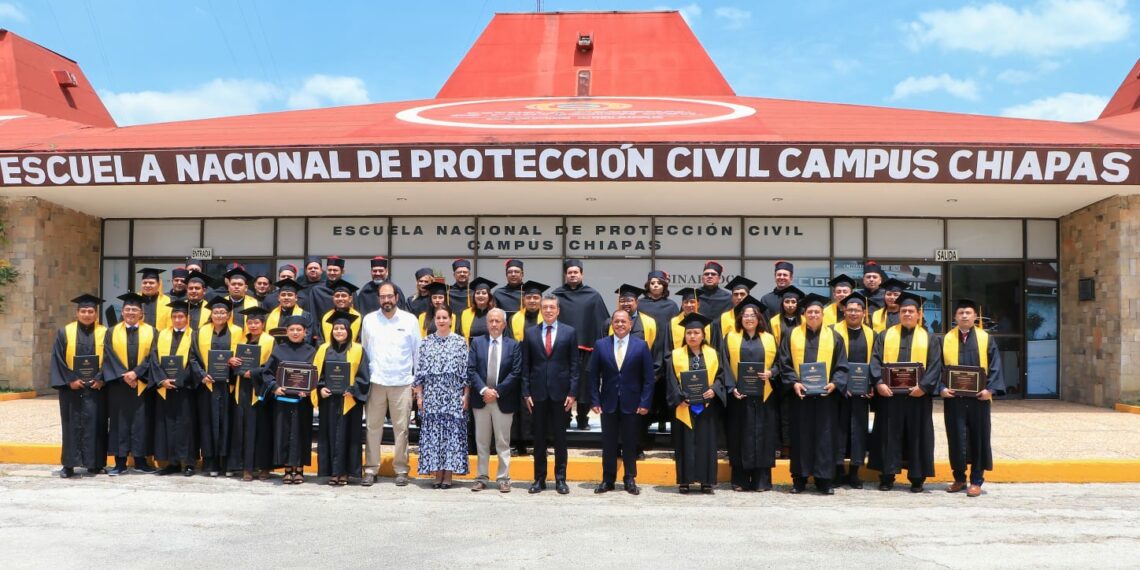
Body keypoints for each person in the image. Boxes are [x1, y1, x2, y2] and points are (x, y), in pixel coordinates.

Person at [869, 291, 942, 492]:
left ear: (919, 314)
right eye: (904, 311)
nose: (907, 314)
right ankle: (887, 475)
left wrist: (924, 387)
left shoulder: (929, 338)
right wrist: (878, 383)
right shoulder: (885, 335)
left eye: (911, 311)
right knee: (888, 435)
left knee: (917, 436)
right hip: (889, 397)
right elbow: (875, 360)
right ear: (899, 313)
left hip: (917, 397)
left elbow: (936, 365)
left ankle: (917, 477)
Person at [778, 293, 849, 495]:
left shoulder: (835, 337)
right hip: (800, 397)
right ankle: (799, 480)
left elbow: (841, 366)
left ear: (822, 314)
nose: (814, 315)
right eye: (810, 312)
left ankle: (824, 480)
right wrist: (794, 383)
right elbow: (784, 363)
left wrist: (835, 384)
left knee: (825, 438)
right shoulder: (792, 335)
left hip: (826, 397)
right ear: (804, 314)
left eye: (817, 311)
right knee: (800, 437)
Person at [940, 298, 1005, 498]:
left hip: (979, 399)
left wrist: (990, 390)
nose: (965, 316)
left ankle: (976, 480)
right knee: (956, 438)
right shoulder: (946, 339)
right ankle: (959, 478)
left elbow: (995, 366)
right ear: (955, 317)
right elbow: (938, 367)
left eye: (968, 313)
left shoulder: (986, 338)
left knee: (979, 438)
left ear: (975, 316)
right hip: (954, 399)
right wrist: (941, 387)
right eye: (961, 313)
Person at [360, 281, 421, 487]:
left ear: (396, 297)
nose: (386, 300)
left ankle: (402, 470)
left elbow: (417, 353)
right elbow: (365, 351)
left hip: (402, 382)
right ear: (379, 299)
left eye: (390, 296)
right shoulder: (369, 320)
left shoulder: (409, 320)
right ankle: (371, 468)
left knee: (401, 429)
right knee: (372, 427)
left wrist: (417, 383)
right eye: (382, 297)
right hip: (376, 381)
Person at [588, 310, 654, 495]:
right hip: (608, 402)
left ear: (630, 324)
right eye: (616, 321)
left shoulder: (641, 346)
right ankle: (607, 480)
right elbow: (593, 376)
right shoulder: (601, 345)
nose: (620, 324)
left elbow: (648, 378)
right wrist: (594, 400)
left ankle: (630, 479)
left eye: (623, 321)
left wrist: (645, 402)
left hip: (632, 403)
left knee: (630, 443)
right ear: (612, 324)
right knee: (608, 443)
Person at [522, 293, 579, 495]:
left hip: (561, 395)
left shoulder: (569, 332)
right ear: (540, 309)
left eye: (551, 307)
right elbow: (526, 366)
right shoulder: (530, 333)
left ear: (558, 310)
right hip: (537, 395)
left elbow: (574, 365)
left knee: (560, 439)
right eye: (544, 307)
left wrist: (573, 393)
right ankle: (539, 479)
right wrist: (526, 392)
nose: (547, 310)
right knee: (539, 439)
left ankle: (560, 479)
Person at [722, 298, 779, 492]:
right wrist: (731, 387)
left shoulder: (769, 338)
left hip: (764, 396)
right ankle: (740, 480)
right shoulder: (731, 337)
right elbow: (723, 365)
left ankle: (761, 481)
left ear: (759, 318)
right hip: (740, 396)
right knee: (739, 436)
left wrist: (771, 373)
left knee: (763, 437)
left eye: (752, 315)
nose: (749, 318)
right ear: (740, 318)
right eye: (745, 315)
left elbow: (781, 362)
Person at [50, 294, 109, 478]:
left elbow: (110, 358)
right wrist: (70, 380)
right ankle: (69, 464)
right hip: (72, 389)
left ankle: (95, 464)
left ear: (96, 314)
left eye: (90, 311)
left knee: (97, 424)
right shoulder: (64, 332)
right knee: (70, 424)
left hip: (96, 388)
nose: (87, 314)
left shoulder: (105, 332)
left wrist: (101, 378)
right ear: (77, 313)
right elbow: (58, 359)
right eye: (83, 311)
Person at [666, 312, 724, 494]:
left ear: (703, 335)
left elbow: (722, 376)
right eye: (689, 333)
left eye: (696, 333)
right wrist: (681, 397)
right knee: (686, 443)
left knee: (706, 443)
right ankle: (685, 480)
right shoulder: (675, 355)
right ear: (684, 335)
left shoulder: (713, 354)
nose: (692, 336)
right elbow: (671, 381)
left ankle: (706, 481)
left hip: (707, 406)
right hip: (684, 406)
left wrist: (714, 389)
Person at [414, 307, 471, 489]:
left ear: (451, 319)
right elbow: (420, 372)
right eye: (438, 317)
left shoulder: (460, 342)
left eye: (444, 317)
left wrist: (466, 395)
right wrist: (420, 396)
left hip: (453, 395)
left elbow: (465, 373)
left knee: (451, 436)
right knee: (434, 436)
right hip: (432, 396)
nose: (441, 320)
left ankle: (448, 475)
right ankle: (437, 474)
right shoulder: (426, 342)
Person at [102, 292, 158, 476]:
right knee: (119, 423)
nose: (131, 312)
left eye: (135, 309)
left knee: (141, 422)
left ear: (141, 313)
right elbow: (109, 355)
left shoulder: (151, 331)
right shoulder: (111, 331)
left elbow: (154, 356)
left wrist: (137, 373)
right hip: (119, 385)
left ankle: (141, 461)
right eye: (128, 309)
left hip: (142, 385)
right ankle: (119, 462)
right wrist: (124, 376)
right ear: (123, 311)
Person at [551, 259, 609, 431]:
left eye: (576, 272)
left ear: (582, 274)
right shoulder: (557, 296)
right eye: (570, 272)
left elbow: (603, 321)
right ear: (565, 275)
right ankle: (564, 417)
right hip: (562, 349)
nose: (573, 275)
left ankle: (583, 418)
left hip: (586, 350)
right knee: (562, 384)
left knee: (585, 386)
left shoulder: (593, 295)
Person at [468, 308, 521, 492]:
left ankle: (503, 477)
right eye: (491, 321)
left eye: (498, 321)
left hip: (502, 400)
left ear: (504, 324)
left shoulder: (513, 345)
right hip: (481, 398)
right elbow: (471, 369)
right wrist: (484, 389)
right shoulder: (477, 343)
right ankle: (481, 476)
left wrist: (496, 391)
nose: (494, 324)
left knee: (502, 441)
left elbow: (515, 373)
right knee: (481, 441)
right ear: (487, 323)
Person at [315, 311, 370, 486]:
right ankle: (332, 472)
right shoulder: (323, 348)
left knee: (349, 436)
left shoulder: (358, 349)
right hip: (329, 401)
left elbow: (364, 375)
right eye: (336, 328)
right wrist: (320, 389)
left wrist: (354, 390)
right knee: (329, 435)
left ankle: (345, 473)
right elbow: (316, 373)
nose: (339, 331)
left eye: (342, 328)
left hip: (349, 401)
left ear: (349, 330)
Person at [261, 314, 317, 484]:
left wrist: (309, 390)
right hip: (283, 400)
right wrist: (275, 387)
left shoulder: (312, 351)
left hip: (302, 401)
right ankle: (287, 468)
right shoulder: (278, 350)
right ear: (286, 331)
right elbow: (266, 372)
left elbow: (317, 374)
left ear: (305, 332)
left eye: (298, 330)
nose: (295, 332)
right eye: (291, 329)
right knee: (283, 433)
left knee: (302, 433)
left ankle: (299, 469)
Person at [191, 295, 243, 477]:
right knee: (208, 424)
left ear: (229, 314)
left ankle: (229, 464)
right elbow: (192, 357)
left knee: (228, 424)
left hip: (229, 386)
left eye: (223, 312)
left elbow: (245, 356)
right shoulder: (200, 332)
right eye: (216, 312)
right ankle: (211, 463)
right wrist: (201, 375)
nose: (219, 315)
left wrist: (236, 362)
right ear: (211, 314)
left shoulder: (238, 332)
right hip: (208, 386)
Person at [831, 292, 874, 488]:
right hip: (838, 392)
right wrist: (841, 383)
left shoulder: (872, 334)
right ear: (843, 311)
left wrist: (871, 384)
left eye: (857, 310)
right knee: (838, 430)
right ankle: (838, 470)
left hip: (861, 392)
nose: (853, 313)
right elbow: (830, 362)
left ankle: (855, 471)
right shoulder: (833, 332)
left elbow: (875, 362)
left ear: (864, 313)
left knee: (859, 431)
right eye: (850, 310)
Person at [228, 306, 276, 481]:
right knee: (242, 428)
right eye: (250, 322)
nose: (253, 325)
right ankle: (246, 468)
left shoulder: (270, 340)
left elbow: (272, 364)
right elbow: (233, 361)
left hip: (261, 389)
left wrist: (254, 373)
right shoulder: (241, 339)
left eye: (257, 322)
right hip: (242, 388)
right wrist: (231, 361)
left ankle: (264, 467)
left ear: (263, 324)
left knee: (262, 429)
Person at [151, 300, 198, 477]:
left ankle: (189, 463)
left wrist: (179, 380)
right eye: (175, 316)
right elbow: (154, 359)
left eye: (181, 316)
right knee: (167, 425)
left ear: (187, 318)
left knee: (186, 425)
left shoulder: (194, 335)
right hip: (165, 389)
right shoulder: (162, 334)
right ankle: (172, 462)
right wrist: (162, 380)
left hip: (185, 389)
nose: (177, 319)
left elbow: (194, 360)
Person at [508, 280, 547, 457]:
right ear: (524, 300)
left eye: (535, 297)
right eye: (529, 297)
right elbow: (510, 343)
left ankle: (541, 443)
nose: (532, 300)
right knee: (519, 405)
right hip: (519, 364)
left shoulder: (547, 318)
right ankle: (519, 442)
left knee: (541, 405)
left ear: (541, 300)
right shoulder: (515, 318)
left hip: (540, 366)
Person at [718, 276, 757, 341]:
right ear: (732, 298)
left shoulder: (756, 315)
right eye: (736, 294)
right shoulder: (725, 317)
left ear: (748, 296)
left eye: (742, 294)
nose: (739, 297)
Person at [223, 266, 261, 334]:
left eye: (240, 284)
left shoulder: (256, 304)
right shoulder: (221, 303)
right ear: (228, 287)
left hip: (247, 342)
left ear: (246, 288)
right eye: (233, 284)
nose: (236, 286)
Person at [459, 277, 497, 342]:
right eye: (478, 293)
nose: (480, 295)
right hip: (470, 350)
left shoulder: (496, 313)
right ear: (474, 296)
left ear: (489, 296)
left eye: (484, 293)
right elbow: (460, 335)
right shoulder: (465, 314)